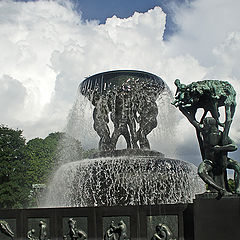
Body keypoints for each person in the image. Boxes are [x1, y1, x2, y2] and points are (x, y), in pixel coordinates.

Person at [180, 112, 240, 196]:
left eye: (204, 124)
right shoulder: (204, 133)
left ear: (210, 125)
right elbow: (193, 121)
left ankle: (237, 189)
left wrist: (220, 148)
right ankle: (219, 189)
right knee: (201, 172)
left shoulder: (222, 135)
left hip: (221, 161)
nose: (202, 125)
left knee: (238, 167)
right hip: (209, 161)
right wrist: (183, 110)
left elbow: (234, 146)